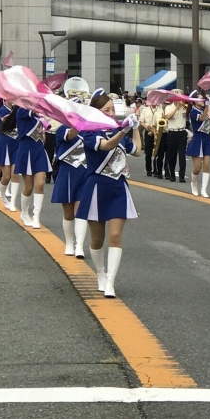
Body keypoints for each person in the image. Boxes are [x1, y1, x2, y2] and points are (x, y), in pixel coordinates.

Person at [77, 91, 141, 298]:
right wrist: (122, 131)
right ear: (95, 112)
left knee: (115, 235)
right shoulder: (89, 132)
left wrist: (135, 128)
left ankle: (111, 282)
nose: (112, 113)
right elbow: (106, 145)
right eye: (107, 110)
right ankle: (101, 274)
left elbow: (137, 151)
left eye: (113, 109)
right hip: (96, 187)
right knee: (97, 240)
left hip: (118, 188)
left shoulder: (116, 129)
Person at [51, 114, 89, 258]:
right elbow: (71, 135)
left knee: (80, 211)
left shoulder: (88, 131)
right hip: (67, 173)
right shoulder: (62, 129)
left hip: (84, 172)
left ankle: (80, 246)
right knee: (68, 213)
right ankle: (69, 242)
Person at [186, 91, 210, 198]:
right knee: (197, 168)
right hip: (198, 139)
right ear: (194, 101)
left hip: (207, 139)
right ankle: (194, 184)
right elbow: (202, 118)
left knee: (207, 166)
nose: (202, 100)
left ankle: (204, 189)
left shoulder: (204, 109)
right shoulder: (193, 112)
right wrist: (207, 106)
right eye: (200, 98)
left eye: (203, 98)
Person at [0, 102, 21, 211]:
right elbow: (8, 123)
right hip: (5, 144)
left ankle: (13, 202)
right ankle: (2, 194)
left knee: (15, 174)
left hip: (16, 144)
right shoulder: (2, 110)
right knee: (6, 176)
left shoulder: (19, 110)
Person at [164, 90, 188, 182]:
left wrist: (184, 106)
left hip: (182, 132)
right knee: (172, 155)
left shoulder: (184, 107)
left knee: (182, 155)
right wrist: (176, 108)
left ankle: (182, 175)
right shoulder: (169, 107)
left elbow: (187, 115)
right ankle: (172, 174)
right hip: (172, 133)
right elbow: (168, 117)